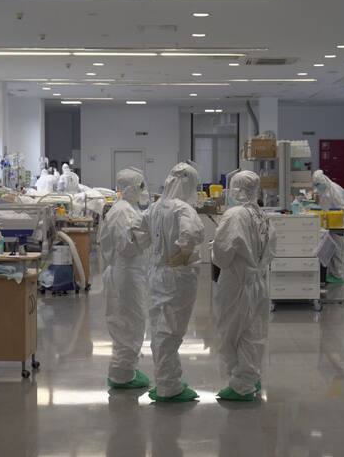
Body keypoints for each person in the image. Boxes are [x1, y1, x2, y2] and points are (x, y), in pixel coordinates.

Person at [132, 162, 204, 402]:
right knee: (171, 331)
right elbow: (191, 235)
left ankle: (165, 379)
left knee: (159, 328)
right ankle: (169, 386)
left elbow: (136, 229)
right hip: (176, 276)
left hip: (156, 272)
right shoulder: (183, 210)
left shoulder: (155, 207)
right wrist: (180, 256)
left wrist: (154, 251)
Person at [212, 170, 272, 401]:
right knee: (253, 331)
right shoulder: (261, 214)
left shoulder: (235, 215)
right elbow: (271, 249)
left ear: (235, 189)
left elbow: (222, 254)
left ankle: (241, 386)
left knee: (232, 332)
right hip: (258, 282)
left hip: (237, 282)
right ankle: (250, 375)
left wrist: (213, 250)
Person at [100, 168, 151, 389]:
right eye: (140, 186)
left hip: (128, 272)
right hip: (127, 273)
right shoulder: (123, 212)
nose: (143, 190)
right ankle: (122, 375)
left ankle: (125, 368)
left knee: (129, 320)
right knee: (129, 322)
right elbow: (127, 245)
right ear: (130, 188)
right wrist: (149, 234)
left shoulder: (126, 209)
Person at [313, 169, 344, 283]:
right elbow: (323, 205)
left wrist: (333, 213)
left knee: (339, 252)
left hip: (340, 225)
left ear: (324, 180)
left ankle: (338, 276)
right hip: (330, 225)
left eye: (318, 185)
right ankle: (333, 274)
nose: (317, 187)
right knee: (331, 251)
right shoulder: (324, 189)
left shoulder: (335, 190)